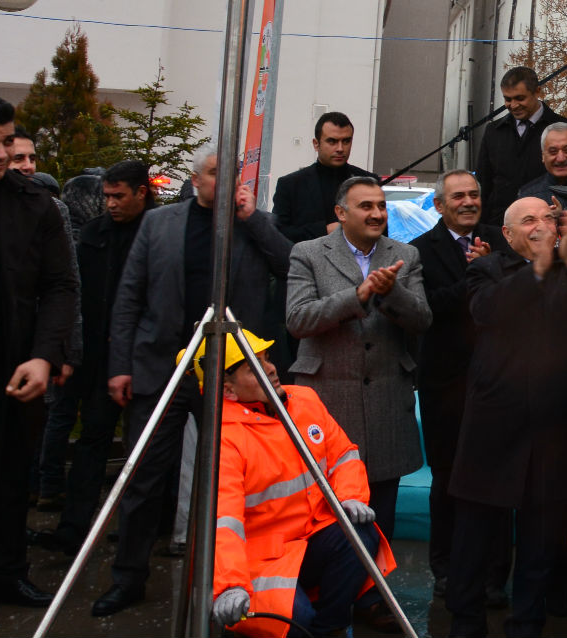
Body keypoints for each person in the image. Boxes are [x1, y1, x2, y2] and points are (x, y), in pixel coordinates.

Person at [96, 145, 291, 617]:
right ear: (195, 179)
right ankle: (128, 578)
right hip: (161, 366)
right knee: (144, 478)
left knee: (233, 481)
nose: (221, 182)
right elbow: (129, 297)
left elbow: (289, 266)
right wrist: (120, 364)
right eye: (211, 173)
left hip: (226, 375)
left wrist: (253, 220)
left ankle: (232, 582)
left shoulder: (250, 225)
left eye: (230, 175)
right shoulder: (159, 224)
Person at [446, 195, 567, 638]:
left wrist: (565, 260)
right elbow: (487, 311)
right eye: (527, 220)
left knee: (542, 538)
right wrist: (537, 268)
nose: (540, 225)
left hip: (554, 429)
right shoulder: (486, 269)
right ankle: (466, 621)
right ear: (508, 235)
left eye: (547, 217)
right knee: (474, 535)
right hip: (494, 428)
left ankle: (527, 624)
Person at [197, 329, 399, 638]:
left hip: (309, 538)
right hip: (259, 562)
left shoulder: (303, 400)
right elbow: (223, 524)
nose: (271, 369)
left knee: (359, 534)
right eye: (254, 367)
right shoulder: (224, 438)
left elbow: (343, 454)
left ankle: (330, 629)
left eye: (266, 359)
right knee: (295, 621)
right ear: (228, 390)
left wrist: (350, 496)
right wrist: (230, 584)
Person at [284, 175, 430, 537]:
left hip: (385, 404)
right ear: (341, 212)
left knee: (381, 519)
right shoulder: (308, 252)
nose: (377, 213)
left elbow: (422, 320)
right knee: (324, 518)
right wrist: (357, 296)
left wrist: (392, 293)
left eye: (381, 206)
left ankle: (376, 592)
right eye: (366, 206)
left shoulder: (405, 254)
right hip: (329, 399)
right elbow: (298, 319)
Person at [0, 93, 78, 607]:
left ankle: (7, 572)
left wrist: (45, 354)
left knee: (12, 475)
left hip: (13, 369)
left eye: (5, 141)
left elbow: (60, 286)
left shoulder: (35, 203)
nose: (0, 154)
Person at [33, 160, 151, 555]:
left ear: (141, 192)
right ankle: (73, 528)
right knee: (89, 443)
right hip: (94, 354)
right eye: (106, 196)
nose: (111, 204)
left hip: (137, 356)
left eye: (119, 196)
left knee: (138, 448)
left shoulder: (154, 232)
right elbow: (75, 292)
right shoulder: (97, 232)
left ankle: (138, 534)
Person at [413, 170, 508, 601]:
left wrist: (491, 268)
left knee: (497, 479)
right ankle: (447, 571)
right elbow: (426, 310)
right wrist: (475, 276)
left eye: (474, 194)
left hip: (499, 382)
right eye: (459, 196)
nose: (469, 202)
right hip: (446, 384)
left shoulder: (503, 239)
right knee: (448, 480)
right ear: (439, 205)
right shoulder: (420, 251)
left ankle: (494, 576)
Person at [473, 67, 567, 222]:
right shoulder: (493, 132)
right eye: (507, 99)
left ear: (537, 91)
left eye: (520, 98)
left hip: (547, 225)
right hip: (499, 227)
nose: (513, 105)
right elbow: (483, 184)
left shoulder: (565, 129)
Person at [272, 112, 375, 245]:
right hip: (308, 263)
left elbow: (380, 232)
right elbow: (279, 235)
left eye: (346, 141)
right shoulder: (290, 185)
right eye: (332, 141)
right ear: (316, 144)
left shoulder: (368, 181)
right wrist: (324, 230)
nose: (340, 148)